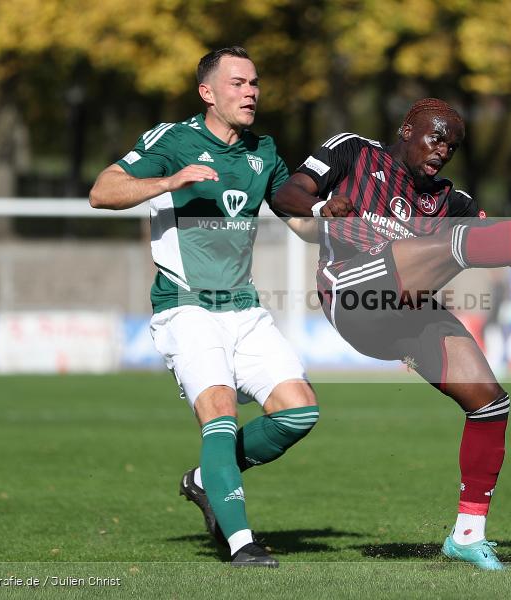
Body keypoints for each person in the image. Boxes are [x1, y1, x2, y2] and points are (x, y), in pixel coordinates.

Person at [272, 98, 511, 570]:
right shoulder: (353, 151)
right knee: (453, 243)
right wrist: (320, 205)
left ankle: (467, 535)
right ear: (406, 129)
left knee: (490, 401)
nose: (443, 150)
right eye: (435, 137)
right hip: (352, 295)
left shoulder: (450, 201)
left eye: (452, 146)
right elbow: (286, 194)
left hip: (406, 316)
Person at [89, 47, 319, 568]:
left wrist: (338, 219)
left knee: (300, 410)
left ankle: (204, 478)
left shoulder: (264, 150)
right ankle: (242, 544)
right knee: (219, 411)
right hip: (185, 307)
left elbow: (299, 223)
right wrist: (170, 181)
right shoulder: (171, 140)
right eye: (237, 83)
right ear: (207, 93)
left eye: (255, 83)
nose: (251, 92)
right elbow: (102, 192)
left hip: (244, 306)